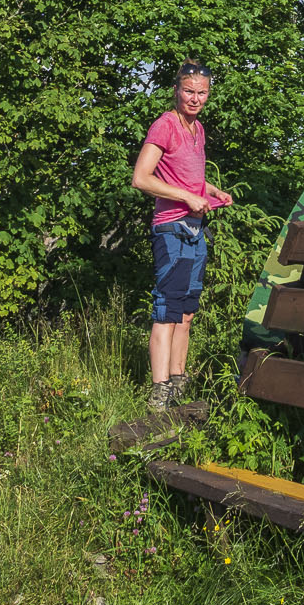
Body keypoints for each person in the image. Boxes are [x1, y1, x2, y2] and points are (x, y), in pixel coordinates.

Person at [131, 62, 232, 412]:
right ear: (176, 90)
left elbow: (190, 179)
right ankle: (158, 391)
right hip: (171, 227)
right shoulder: (165, 125)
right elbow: (141, 178)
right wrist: (187, 198)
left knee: (187, 312)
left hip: (194, 229)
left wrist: (211, 191)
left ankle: (178, 383)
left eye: (201, 92)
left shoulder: (197, 129)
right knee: (167, 310)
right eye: (189, 91)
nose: (195, 98)